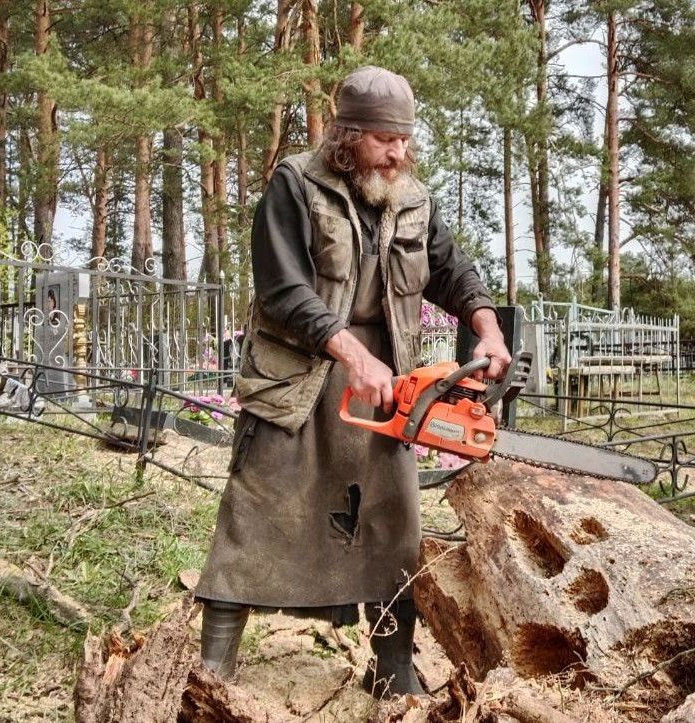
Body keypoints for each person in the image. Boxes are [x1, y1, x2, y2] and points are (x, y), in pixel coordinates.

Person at [194, 66, 511, 697]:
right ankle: (213, 670)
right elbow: (282, 290)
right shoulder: (294, 185)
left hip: (387, 386)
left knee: (393, 523)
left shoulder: (412, 197)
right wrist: (349, 353)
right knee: (256, 511)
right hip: (301, 377)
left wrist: (486, 325)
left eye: (403, 141)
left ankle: (391, 669)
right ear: (347, 136)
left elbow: (452, 271)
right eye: (383, 140)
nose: (398, 153)